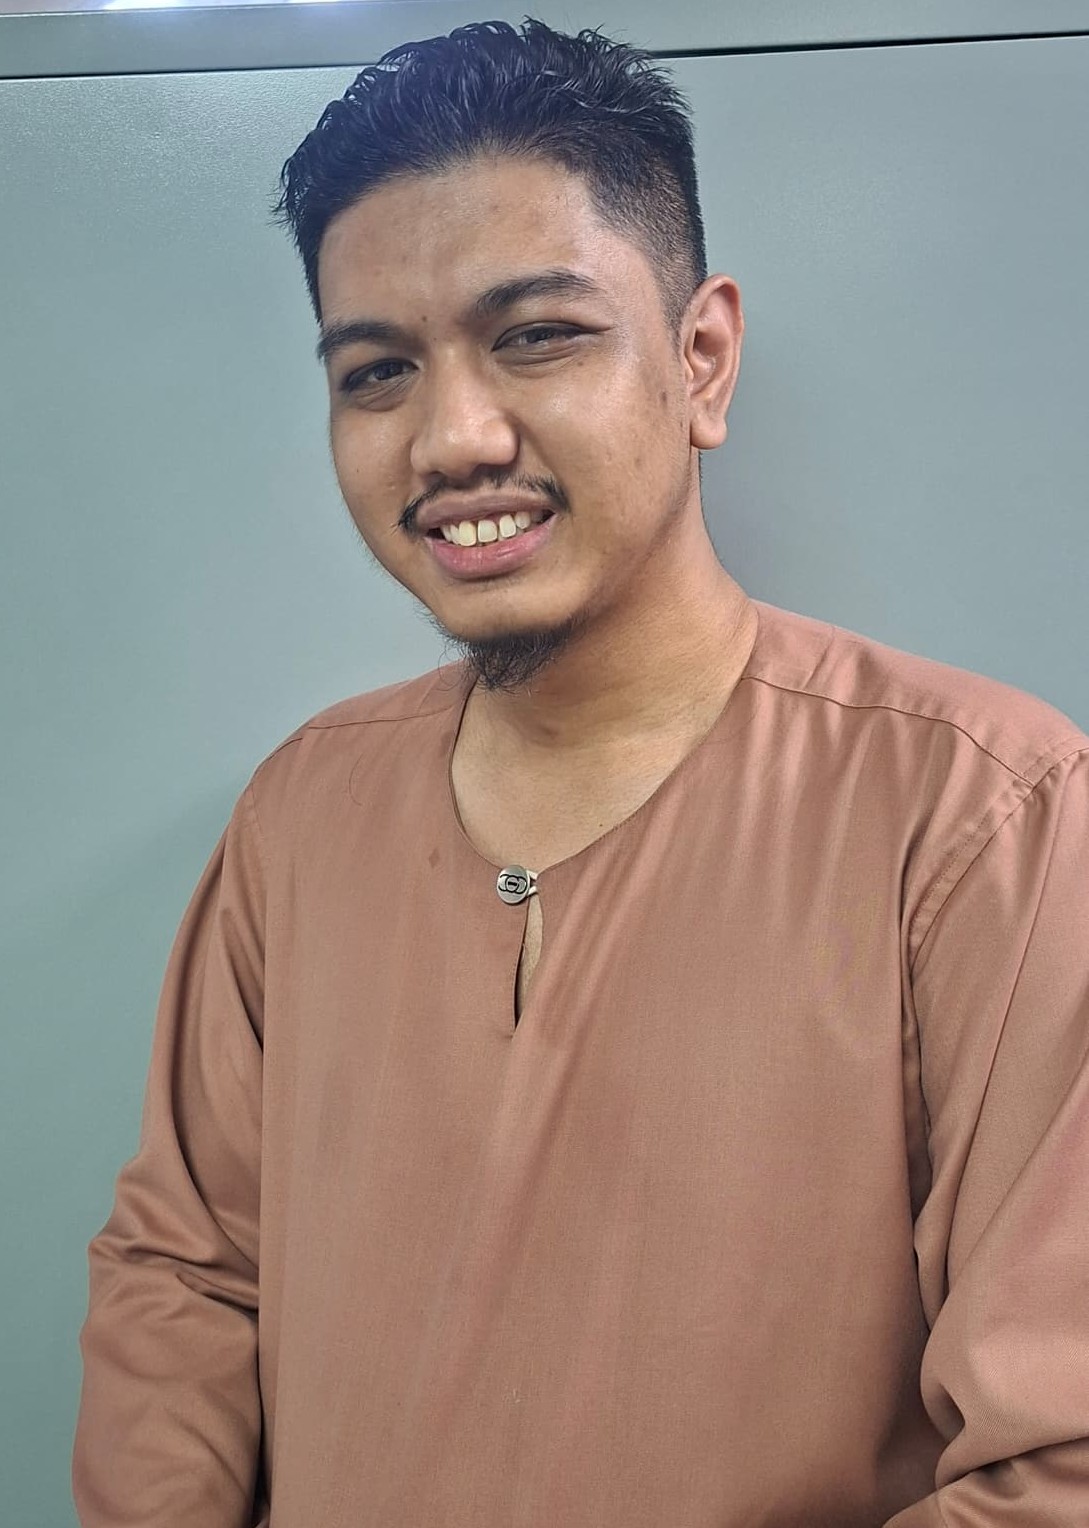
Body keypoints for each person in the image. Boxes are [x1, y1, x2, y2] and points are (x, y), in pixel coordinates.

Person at [72, 17, 1089, 1527]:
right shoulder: (302, 816)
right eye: (377, 371)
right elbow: (185, 1285)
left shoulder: (983, 820)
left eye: (537, 336)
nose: (452, 438)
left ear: (701, 358)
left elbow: (1055, 1462)